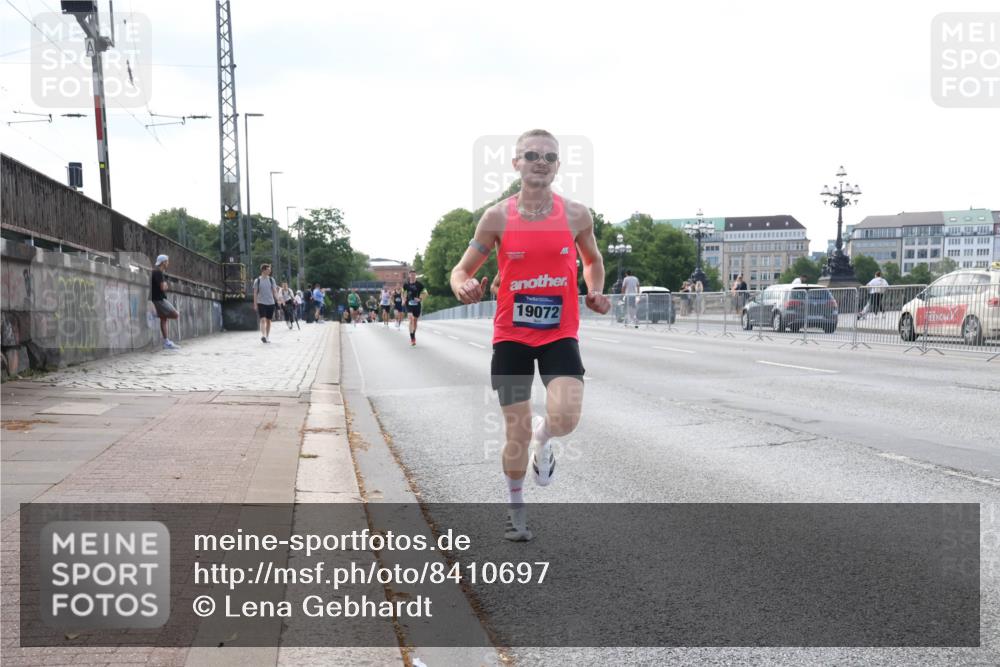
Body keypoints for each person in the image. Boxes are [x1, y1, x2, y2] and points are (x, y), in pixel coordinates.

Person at [450, 128, 610, 542]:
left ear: (558, 166)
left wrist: (594, 289)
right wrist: (462, 285)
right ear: (516, 163)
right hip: (512, 337)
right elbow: (461, 270)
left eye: (550, 157)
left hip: (559, 333)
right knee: (514, 432)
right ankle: (516, 509)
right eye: (532, 155)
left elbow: (592, 259)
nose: (542, 161)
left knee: (566, 418)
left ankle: (546, 437)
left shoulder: (576, 215)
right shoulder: (497, 217)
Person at [150, 254, 180, 350]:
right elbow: (163, 287)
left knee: (164, 319)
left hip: (157, 299)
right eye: (167, 261)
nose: (168, 263)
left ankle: (166, 342)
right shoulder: (158, 272)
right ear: (163, 262)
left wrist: (164, 285)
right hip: (159, 299)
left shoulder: (157, 272)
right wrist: (165, 285)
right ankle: (155, 314)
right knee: (176, 314)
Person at [252, 263, 280, 343]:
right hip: (261, 302)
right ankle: (263, 335)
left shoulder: (271, 280)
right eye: (268, 269)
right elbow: (255, 293)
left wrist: (278, 300)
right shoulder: (257, 280)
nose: (270, 271)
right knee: (263, 319)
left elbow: (274, 291)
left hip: (271, 303)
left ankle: (267, 336)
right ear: (264, 270)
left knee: (268, 321)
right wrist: (255, 304)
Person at [402, 270, 425, 346]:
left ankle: (413, 334)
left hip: (417, 305)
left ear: (415, 275)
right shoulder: (406, 285)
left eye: (414, 275)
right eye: (411, 275)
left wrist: (420, 299)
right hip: (408, 304)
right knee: (411, 318)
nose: (412, 276)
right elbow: (403, 293)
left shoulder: (419, 285)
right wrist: (403, 299)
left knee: (415, 321)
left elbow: (425, 293)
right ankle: (412, 338)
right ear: (409, 275)